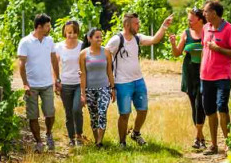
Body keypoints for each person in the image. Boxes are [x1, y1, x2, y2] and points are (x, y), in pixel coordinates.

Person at [105, 11, 173, 147]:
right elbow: (105, 56)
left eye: (138, 23)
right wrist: (110, 83)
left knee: (143, 110)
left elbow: (154, 40)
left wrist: (164, 26)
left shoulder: (138, 38)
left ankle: (135, 133)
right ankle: (122, 143)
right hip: (122, 83)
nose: (139, 26)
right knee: (125, 114)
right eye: (136, 24)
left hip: (138, 80)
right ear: (127, 24)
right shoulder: (116, 40)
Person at [200, 0, 231, 155]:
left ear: (214, 13)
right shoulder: (205, 28)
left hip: (222, 76)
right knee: (209, 111)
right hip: (206, 77)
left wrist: (218, 49)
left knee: (222, 108)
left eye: (206, 11)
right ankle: (214, 145)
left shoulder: (229, 29)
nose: (203, 14)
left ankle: (229, 144)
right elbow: (205, 50)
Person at [17, 13, 60, 153]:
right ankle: (39, 142)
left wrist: (57, 79)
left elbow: (54, 60)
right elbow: (21, 64)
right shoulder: (25, 42)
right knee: (33, 115)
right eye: (48, 26)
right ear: (39, 27)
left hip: (47, 83)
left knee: (50, 113)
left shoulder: (50, 41)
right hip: (32, 85)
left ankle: (48, 134)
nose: (50, 28)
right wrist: (25, 83)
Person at [169, 8, 207, 150]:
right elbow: (177, 53)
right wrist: (173, 44)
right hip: (189, 73)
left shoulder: (208, 32)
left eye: (191, 19)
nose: (188, 22)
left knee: (200, 104)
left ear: (200, 20)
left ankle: (198, 137)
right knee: (194, 104)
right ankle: (200, 138)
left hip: (204, 72)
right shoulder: (185, 33)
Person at [79, 28, 115, 147]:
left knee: (102, 112)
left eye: (101, 36)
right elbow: (83, 74)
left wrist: (113, 88)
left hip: (104, 88)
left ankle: (100, 141)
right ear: (90, 39)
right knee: (93, 115)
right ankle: (96, 140)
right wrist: (83, 94)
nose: (100, 39)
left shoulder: (106, 52)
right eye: (97, 37)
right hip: (90, 90)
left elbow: (110, 72)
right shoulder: (83, 54)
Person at [56, 20, 86, 148]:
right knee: (68, 112)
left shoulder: (82, 46)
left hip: (79, 83)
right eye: (69, 32)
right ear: (64, 32)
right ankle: (71, 138)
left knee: (76, 109)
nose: (72, 35)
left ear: (78, 32)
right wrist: (56, 81)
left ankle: (79, 135)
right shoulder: (59, 47)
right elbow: (54, 65)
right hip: (65, 84)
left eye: (74, 32)